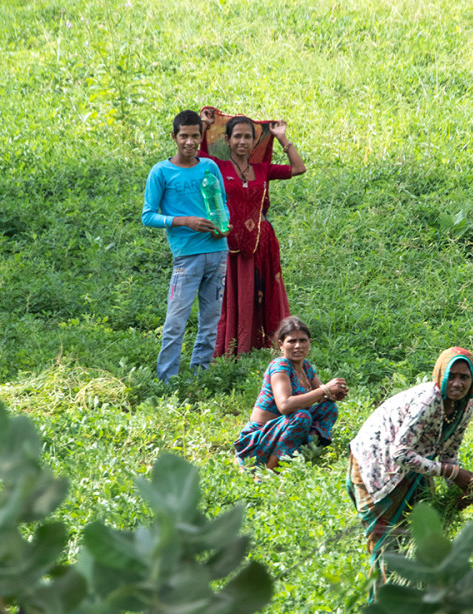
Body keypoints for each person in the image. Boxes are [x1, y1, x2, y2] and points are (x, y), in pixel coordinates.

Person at [346, 347, 473, 587]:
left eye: (464, 377)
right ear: (440, 375)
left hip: (414, 462)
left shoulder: (465, 407)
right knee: (387, 540)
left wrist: (459, 488)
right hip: (377, 463)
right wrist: (453, 473)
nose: (458, 383)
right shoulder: (428, 401)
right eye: (452, 375)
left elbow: (449, 452)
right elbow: (400, 453)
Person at [198, 108, 306, 357]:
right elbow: (195, 155)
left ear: (254, 141)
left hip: (261, 241)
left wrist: (281, 137)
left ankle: (260, 346)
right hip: (228, 242)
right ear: (227, 140)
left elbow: (298, 168)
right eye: (237, 136)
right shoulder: (217, 166)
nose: (242, 142)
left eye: (248, 137)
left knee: (261, 292)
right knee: (232, 296)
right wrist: (204, 125)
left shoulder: (263, 169)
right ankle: (232, 348)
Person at [141, 110, 230, 382]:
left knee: (210, 322)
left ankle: (200, 377)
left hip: (217, 252)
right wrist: (184, 221)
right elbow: (148, 216)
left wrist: (222, 226)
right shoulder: (161, 172)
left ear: (201, 137)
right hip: (186, 258)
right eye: (184, 136)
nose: (189, 142)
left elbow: (222, 203)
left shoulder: (209, 167)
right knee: (175, 322)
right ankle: (166, 380)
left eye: (195, 136)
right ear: (174, 137)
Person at [234, 316, 348, 470]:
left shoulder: (305, 367)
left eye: (303, 341)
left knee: (329, 408)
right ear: (281, 344)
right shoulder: (280, 366)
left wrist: (333, 393)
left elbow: (323, 396)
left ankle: (299, 458)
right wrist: (325, 389)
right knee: (301, 417)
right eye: (292, 341)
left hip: (287, 428)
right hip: (261, 435)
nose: (298, 346)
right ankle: (269, 470)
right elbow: (285, 406)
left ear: (309, 343)